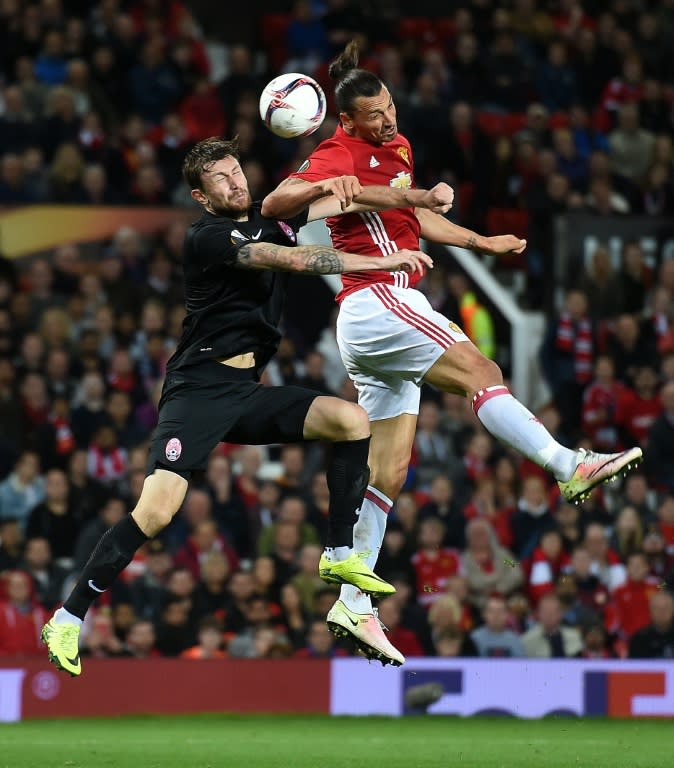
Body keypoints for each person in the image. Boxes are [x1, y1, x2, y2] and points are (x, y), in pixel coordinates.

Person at [262, 39, 643, 666]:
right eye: (374, 115)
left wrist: (479, 240)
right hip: (378, 298)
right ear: (347, 121)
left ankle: (353, 605)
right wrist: (331, 185)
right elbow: (276, 204)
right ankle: (564, 464)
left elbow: (419, 222)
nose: (387, 119)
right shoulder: (335, 152)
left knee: (390, 469)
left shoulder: (400, 146)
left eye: (389, 107)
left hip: (374, 320)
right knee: (481, 371)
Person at [41, 135, 451, 677]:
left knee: (350, 421)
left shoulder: (273, 214)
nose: (236, 183)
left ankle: (337, 553)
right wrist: (378, 258)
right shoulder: (206, 237)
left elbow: (348, 201)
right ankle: (69, 616)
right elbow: (290, 259)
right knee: (158, 510)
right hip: (199, 389)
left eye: (238, 171)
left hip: (248, 390)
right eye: (221, 179)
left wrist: (417, 197)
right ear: (202, 196)